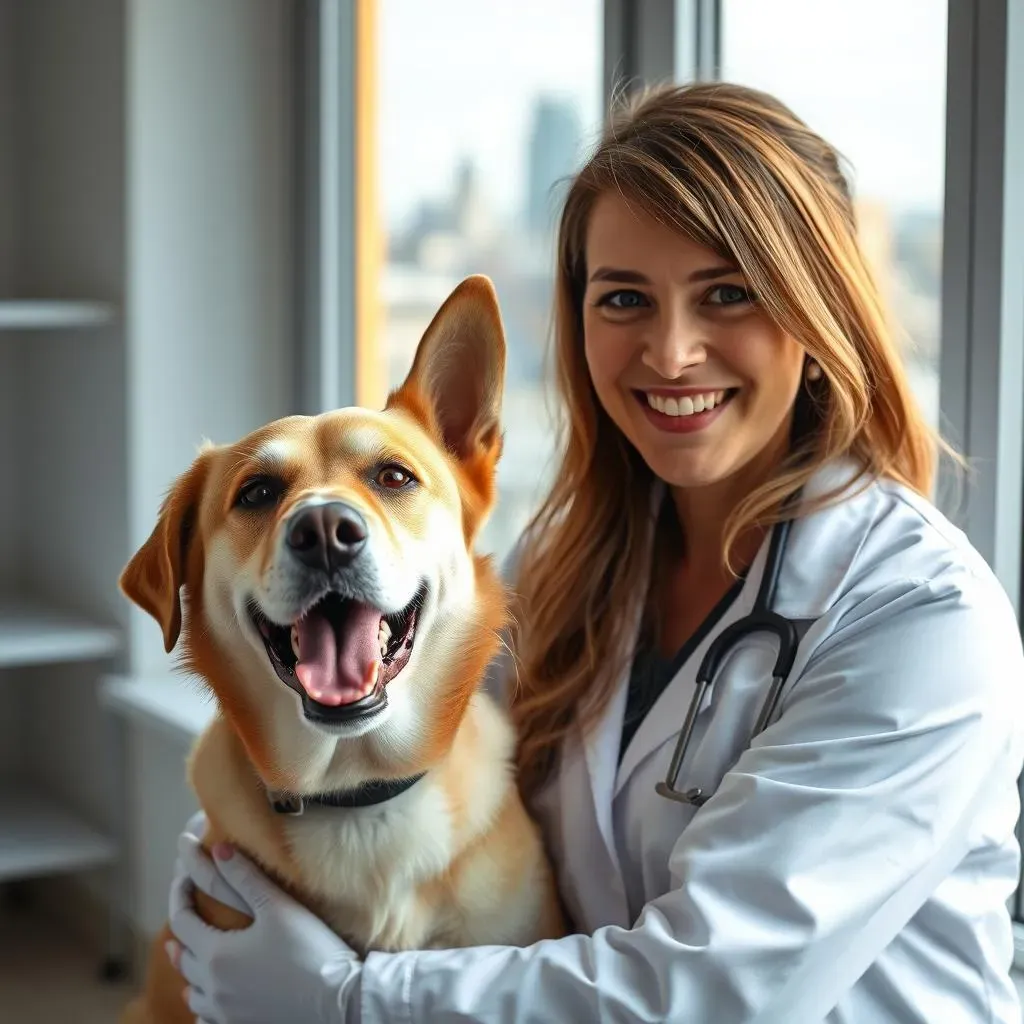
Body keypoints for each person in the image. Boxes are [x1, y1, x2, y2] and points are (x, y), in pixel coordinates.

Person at [164, 81, 1024, 1023]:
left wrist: (348, 1003)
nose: (671, 351)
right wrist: (250, 840)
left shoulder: (924, 619)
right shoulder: (563, 563)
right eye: (623, 299)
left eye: (728, 293)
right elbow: (396, 760)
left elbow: (717, 992)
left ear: (819, 322)